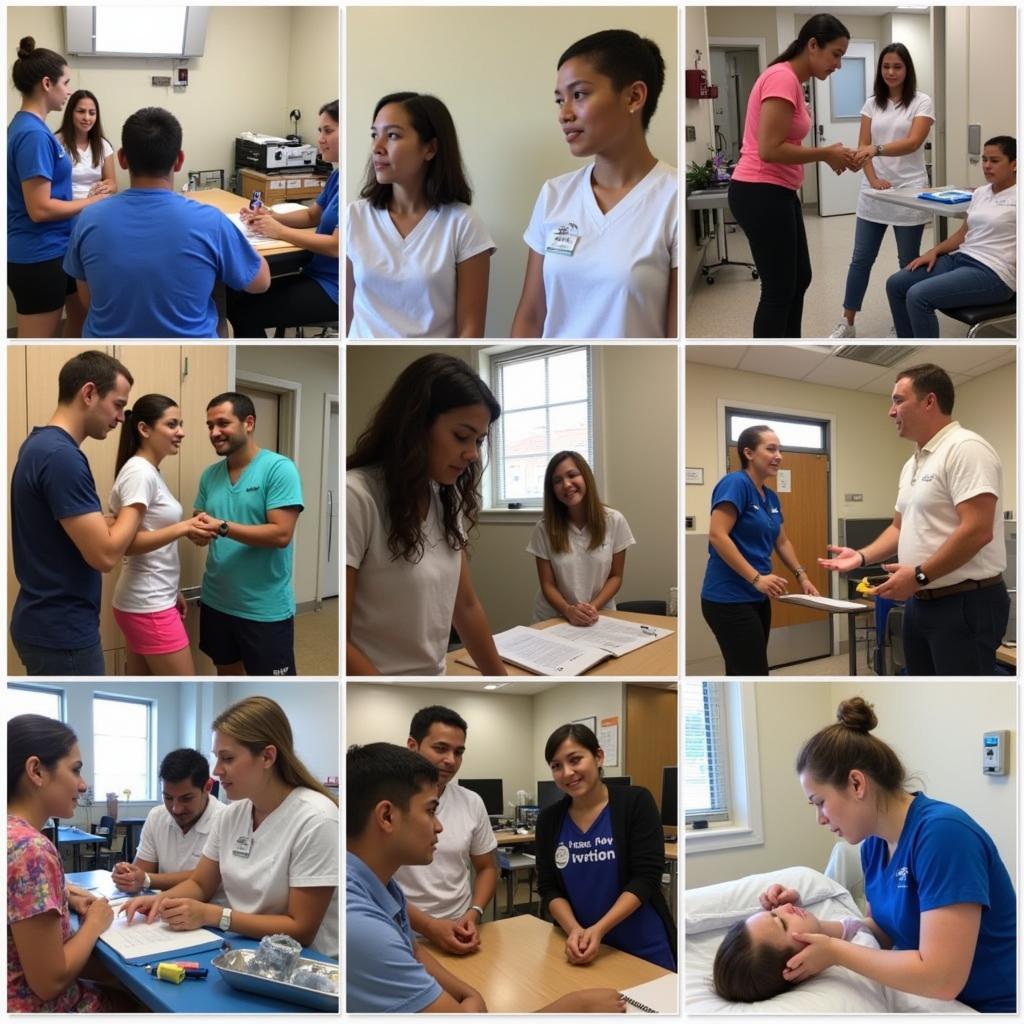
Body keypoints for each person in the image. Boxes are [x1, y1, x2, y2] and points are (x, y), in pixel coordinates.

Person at [757, 697, 1015, 1012]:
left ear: (856, 783)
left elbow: (943, 979)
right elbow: (883, 931)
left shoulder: (944, 835)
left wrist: (836, 952)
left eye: (819, 802)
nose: (820, 819)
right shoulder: (874, 845)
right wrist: (806, 925)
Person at [347, 741, 626, 1013]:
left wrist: (469, 993)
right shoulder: (362, 925)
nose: (439, 826)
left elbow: (414, 952)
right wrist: (575, 1007)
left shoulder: (380, 885)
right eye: (431, 810)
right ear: (386, 816)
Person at [819, 364, 1008, 674]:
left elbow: (977, 530)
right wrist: (862, 555)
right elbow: (899, 526)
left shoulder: (966, 449)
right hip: (920, 602)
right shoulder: (913, 463)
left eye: (898, 400)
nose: (891, 412)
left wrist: (919, 575)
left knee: (955, 699)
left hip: (964, 602)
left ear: (929, 401)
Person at [122, 696, 339, 958]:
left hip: (306, 962)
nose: (216, 770)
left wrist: (215, 915)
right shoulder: (233, 815)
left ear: (268, 757)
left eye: (227, 758)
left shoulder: (316, 818)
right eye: (216, 758)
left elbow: (301, 928)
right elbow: (201, 884)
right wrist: (160, 901)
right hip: (245, 950)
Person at [347, 354, 507, 676]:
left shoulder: (447, 500)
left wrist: (500, 678)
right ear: (415, 423)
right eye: (462, 437)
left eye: (478, 441)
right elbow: (341, 638)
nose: (473, 453)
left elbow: (466, 606)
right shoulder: (359, 496)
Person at [511, 29, 677, 339]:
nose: (564, 114)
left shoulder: (672, 197)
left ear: (634, 96)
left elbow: (674, 335)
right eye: (560, 100)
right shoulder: (554, 195)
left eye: (579, 94)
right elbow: (531, 315)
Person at [63, 106, 270, 338]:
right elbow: (260, 282)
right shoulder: (211, 222)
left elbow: (88, 300)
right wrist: (238, 242)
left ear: (122, 159)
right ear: (179, 160)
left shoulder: (88, 219)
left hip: (107, 349)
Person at [727, 15, 862, 338]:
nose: (839, 64)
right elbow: (769, 150)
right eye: (837, 54)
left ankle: (789, 342)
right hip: (760, 191)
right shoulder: (782, 79)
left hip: (778, 192)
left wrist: (830, 155)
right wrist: (826, 154)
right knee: (778, 290)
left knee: (799, 279)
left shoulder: (793, 83)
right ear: (812, 45)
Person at [10, 350, 140, 675]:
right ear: (89, 393)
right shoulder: (61, 457)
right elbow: (105, 556)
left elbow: (64, 529)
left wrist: (110, 522)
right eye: (119, 404)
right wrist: (136, 507)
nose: (121, 417)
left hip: (43, 620)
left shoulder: (40, 445)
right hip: (62, 631)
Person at [346, 92, 495, 338]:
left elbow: (471, 329)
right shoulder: (355, 216)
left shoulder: (464, 223)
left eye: (392, 135)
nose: (377, 147)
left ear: (430, 148)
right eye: (374, 135)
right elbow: (347, 313)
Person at [535, 724, 676, 971]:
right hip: (577, 946)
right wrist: (576, 931)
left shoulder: (635, 802)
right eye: (556, 766)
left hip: (641, 944)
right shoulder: (549, 819)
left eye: (575, 760)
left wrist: (598, 930)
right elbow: (549, 887)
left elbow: (646, 878)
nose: (567, 773)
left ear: (598, 757)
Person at [7, 715, 117, 1011]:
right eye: (75, 770)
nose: (82, 785)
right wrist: (94, 924)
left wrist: (62, 892)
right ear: (36, 771)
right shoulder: (32, 849)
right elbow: (49, 983)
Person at [192, 392, 304, 676]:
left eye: (222, 423)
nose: (214, 432)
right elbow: (201, 522)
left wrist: (222, 527)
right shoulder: (210, 475)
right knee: (227, 679)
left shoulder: (279, 469)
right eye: (209, 426)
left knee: (271, 692)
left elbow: (281, 534)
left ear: (249, 422)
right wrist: (199, 532)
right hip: (217, 601)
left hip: (263, 609)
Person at [7, 37, 110, 339]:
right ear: (47, 83)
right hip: (38, 254)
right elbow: (39, 209)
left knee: (79, 317)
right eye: (65, 83)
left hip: (58, 248)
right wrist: (89, 203)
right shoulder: (33, 135)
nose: (68, 91)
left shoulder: (33, 128)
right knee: (36, 342)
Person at [830, 44, 934, 338]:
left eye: (897, 66)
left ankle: (903, 321)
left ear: (907, 70)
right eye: (886, 66)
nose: (890, 72)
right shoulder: (872, 104)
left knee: (907, 262)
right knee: (861, 259)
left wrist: (875, 149)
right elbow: (863, 147)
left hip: (908, 191)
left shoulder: (921, 102)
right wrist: (873, 179)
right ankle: (847, 322)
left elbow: (913, 142)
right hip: (873, 192)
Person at [700, 425, 820, 676]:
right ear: (749, 453)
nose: (779, 455)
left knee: (746, 667)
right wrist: (756, 578)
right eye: (771, 448)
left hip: (757, 597)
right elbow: (717, 535)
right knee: (751, 670)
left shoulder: (771, 497)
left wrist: (802, 576)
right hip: (728, 598)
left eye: (780, 450)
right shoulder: (735, 483)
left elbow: (782, 541)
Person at [110, 394, 212, 676]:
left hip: (150, 598)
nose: (181, 432)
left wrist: (171, 590)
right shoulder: (139, 473)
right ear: (144, 429)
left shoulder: (149, 472)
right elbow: (126, 544)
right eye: (172, 424)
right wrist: (184, 527)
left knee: (140, 680)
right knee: (186, 685)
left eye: (180, 424)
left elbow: (149, 535)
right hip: (147, 603)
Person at [227, 99, 339, 337]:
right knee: (234, 294)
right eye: (320, 131)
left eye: (328, 131)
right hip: (315, 272)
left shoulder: (358, 185)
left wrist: (278, 231)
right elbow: (312, 214)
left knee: (244, 313)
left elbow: (337, 247)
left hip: (335, 289)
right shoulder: (338, 176)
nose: (320, 138)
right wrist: (270, 215)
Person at [885, 136, 1015, 338]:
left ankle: (925, 354)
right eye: (984, 159)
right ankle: (907, 340)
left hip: (994, 273)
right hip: (962, 258)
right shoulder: (981, 192)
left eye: (995, 161)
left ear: (1014, 164)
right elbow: (964, 234)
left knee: (918, 296)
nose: (987, 166)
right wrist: (934, 251)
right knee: (896, 284)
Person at [393, 706, 497, 954]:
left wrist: (474, 914)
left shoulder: (471, 802)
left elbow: (487, 868)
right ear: (412, 745)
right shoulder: (387, 803)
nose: (451, 760)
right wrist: (429, 927)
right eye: (440, 749)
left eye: (458, 752)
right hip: (400, 934)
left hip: (460, 933)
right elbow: (373, 883)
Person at [526, 450, 635, 624]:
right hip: (555, 617)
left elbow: (616, 577)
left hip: (599, 614)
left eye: (572, 475)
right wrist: (568, 611)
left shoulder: (614, 521)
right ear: (552, 489)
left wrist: (592, 607)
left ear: (585, 476)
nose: (566, 484)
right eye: (557, 481)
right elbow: (547, 585)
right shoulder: (544, 529)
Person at [713, 890, 872, 1001]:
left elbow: (855, 927)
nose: (785, 907)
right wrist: (835, 952)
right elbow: (876, 931)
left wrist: (800, 913)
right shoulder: (864, 952)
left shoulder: (848, 940)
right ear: (797, 964)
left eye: (773, 912)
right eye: (782, 923)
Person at [112, 748, 225, 901]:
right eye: (168, 798)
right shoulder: (157, 816)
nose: (176, 809)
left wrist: (146, 880)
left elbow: (205, 879)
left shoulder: (226, 820)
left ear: (207, 787)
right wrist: (128, 877)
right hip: (163, 913)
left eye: (186, 798)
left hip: (210, 919)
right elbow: (141, 871)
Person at [53, 89, 117, 337]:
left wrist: (106, 186)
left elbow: (113, 183)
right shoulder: (56, 142)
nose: (86, 117)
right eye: (81, 111)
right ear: (71, 113)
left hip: (96, 222)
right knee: (73, 300)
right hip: (67, 221)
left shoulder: (102, 145)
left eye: (92, 112)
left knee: (89, 301)